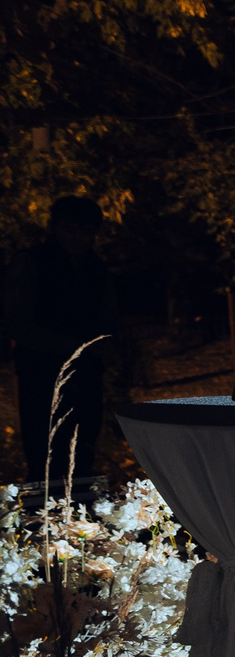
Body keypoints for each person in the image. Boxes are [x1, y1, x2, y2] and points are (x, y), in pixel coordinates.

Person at [7, 196, 117, 483]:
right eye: (70, 229)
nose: (77, 238)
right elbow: (19, 323)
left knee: (82, 451)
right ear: (54, 228)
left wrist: (103, 346)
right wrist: (77, 347)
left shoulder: (97, 269)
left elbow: (106, 316)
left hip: (85, 371)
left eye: (85, 231)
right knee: (44, 454)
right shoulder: (32, 262)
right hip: (41, 372)